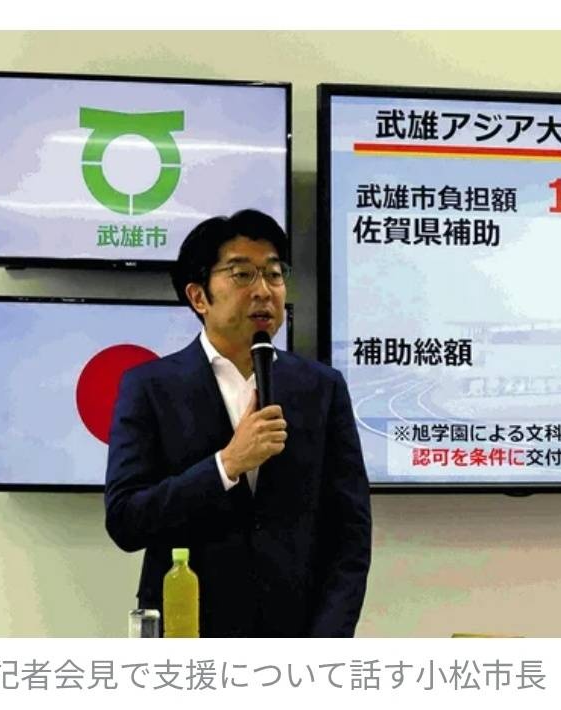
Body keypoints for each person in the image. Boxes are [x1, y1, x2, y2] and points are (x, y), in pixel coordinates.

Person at [104, 208, 371, 637]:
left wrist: (327, 644)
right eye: (242, 275)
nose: (264, 291)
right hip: (187, 633)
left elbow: (350, 534)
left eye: (274, 274)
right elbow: (126, 521)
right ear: (199, 297)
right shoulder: (150, 387)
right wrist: (226, 465)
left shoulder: (322, 388)